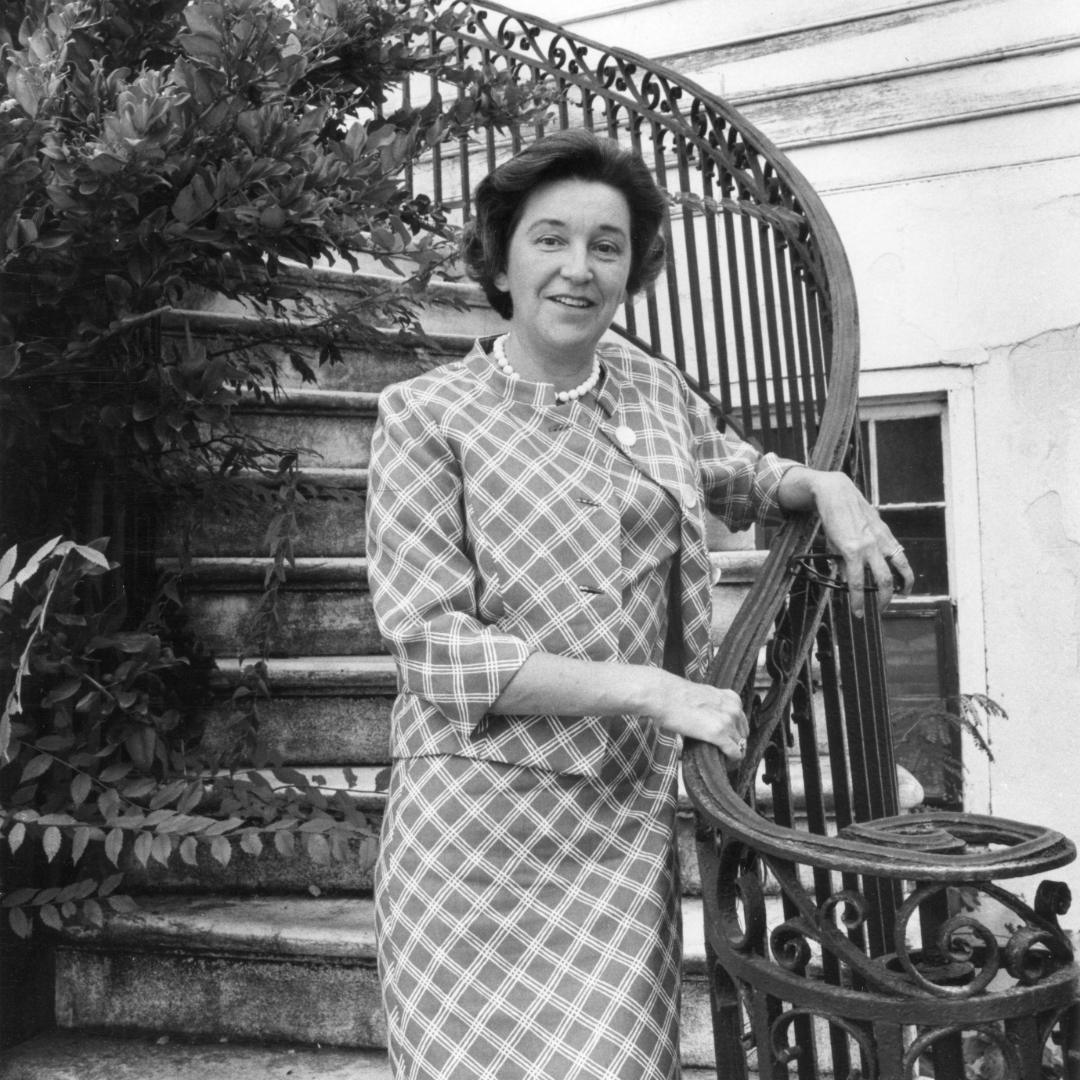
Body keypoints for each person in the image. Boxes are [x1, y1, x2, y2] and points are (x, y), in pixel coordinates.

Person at [366, 128, 913, 1080]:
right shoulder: (423, 415)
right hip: (470, 832)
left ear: (632, 266)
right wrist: (653, 691)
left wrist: (820, 486)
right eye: (550, 239)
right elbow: (434, 648)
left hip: (617, 828)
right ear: (501, 256)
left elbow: (735, 472)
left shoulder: (657, 390)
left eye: (606, 246)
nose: (578, 270)